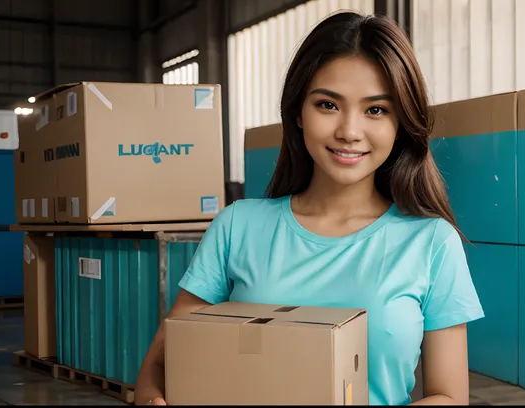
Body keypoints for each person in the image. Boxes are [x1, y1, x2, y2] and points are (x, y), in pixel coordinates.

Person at [135, 11, 484, 406]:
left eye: (376, 110)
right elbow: (161, 363)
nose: (349, 131)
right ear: (298, 112)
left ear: (400, 123)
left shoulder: (431, 242)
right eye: (327, 104)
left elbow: (449, 397)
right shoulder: (238, 227)